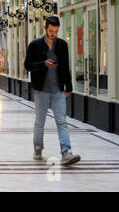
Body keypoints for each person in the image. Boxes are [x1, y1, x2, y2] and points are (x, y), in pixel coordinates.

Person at [24, 16, 81, 166]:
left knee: (62, 121)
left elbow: (65, 66)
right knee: (40, 122)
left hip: (58, 90)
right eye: (50, 30)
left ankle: (66, 152)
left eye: (55, 31)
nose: (53, 33)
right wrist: (43, 64)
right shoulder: (35, 45)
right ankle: (38, 147)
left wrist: (69, 87)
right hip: (41, 90)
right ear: (45, 28)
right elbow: (27, 65)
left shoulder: (62, 45)